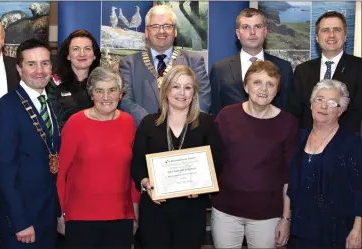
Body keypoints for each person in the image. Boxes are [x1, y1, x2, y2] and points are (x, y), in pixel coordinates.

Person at [130, 65, 222, 249]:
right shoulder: (149, 123)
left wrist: (203, 187)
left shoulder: (206, 123)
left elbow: (217, 163)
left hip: (191, 209)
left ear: (194, 92)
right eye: (176, 86)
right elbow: (136, 164)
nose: (182, 93)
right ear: (166, 90)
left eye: (188, 87)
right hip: (155, 209)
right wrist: (145, 182)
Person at [212, 61, 298, 248]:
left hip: (267, 215)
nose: (263, 89)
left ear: (277, 90)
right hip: (226, 212)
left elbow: (289, 177)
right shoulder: (226, 116)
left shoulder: (288, 123)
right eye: (257, 82)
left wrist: (286, 218)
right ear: (245, 86)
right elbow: (210, 159)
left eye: (270, 84)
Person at [0, 39, 61, 248]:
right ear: (19, 69)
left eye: (45, 63)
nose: (40, 70)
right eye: (31, 64)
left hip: (46, 218)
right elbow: (4, 173)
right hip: (22, 223)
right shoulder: (6, 109)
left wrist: (57, 213)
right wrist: (20, 222)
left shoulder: (50, 104)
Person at [57, 67, 139, 249]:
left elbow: (132, 172)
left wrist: (135, 208)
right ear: (91, 94)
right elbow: (60, 172)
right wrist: (59, 213)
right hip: (80, 219)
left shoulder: (128, 123)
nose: (106, 97)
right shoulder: (76, 123)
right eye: (99, 91)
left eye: (112, 90)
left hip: (121, 217)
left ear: (120, 94)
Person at [287, 79, 361, 249]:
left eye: (332, 103)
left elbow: (359, 189)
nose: (324, 106)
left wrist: (358, 230)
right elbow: (289, 184)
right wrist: (286, 219)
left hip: (336, 232)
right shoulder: (298, 138)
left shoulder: (352, 143)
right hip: (299, 230)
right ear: (311, 104)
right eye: (319, 99)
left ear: (341, 110)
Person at [119, 5, 210, 125]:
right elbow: (125, 101)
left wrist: (180, 124)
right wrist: (152, 125)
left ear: (175, 31)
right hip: (145, 134)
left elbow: (203, 99)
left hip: (185, 135)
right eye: (155, 26)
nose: (161, 31)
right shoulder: (129, 63)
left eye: (167, 26)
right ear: (146, 32)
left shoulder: (194, 61)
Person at [288, 11, 362, 132]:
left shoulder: (359, 67)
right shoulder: (302, 70)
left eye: (337, 30)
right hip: (309, 143)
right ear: (317, 37)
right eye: (325, 30)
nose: (331, 35)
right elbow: (294, 113)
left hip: (348, 145)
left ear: (345, 36)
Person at [210, 8, 294, 114]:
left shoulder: (284, 68)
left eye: (257, 26)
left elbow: (287, 112)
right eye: (246, 27)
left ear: (265, 31)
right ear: (238, 34)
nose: (252, 32)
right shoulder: (220, 69)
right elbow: (215, 112)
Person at [46, 29, 101, 130]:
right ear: (68, 55)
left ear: (94, 55)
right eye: (76, 49)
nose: (82, 54)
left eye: (87, 49)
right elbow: (51, 121)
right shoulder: (53, 83)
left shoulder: (103, 83)